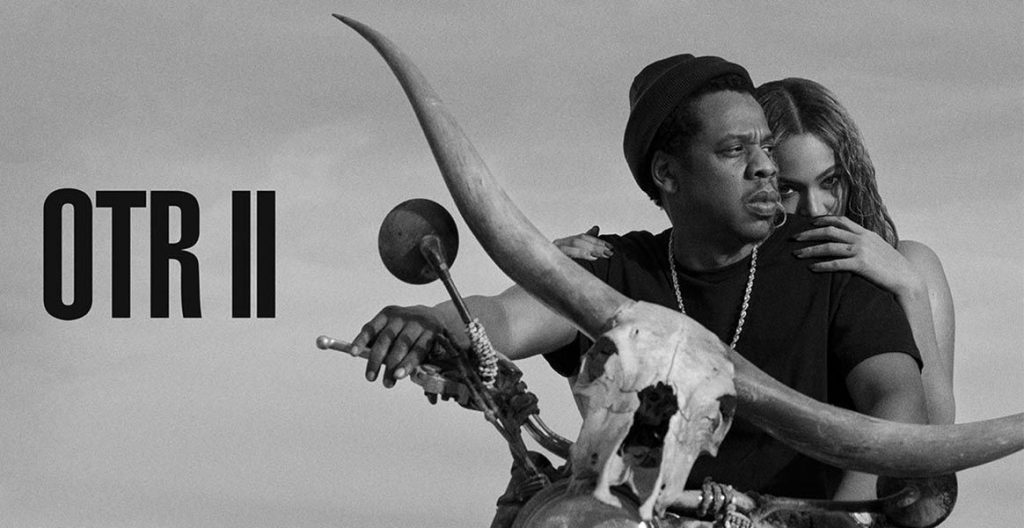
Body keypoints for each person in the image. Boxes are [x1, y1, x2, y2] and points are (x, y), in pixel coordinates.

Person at [351, 54, 928, 503]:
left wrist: (849, 518)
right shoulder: (615, 269)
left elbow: (897, 400)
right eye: (735, 150)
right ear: (667, 173)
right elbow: (504, 317)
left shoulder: (828, 263)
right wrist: (431, 320)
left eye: (766, 147)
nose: (764, 167)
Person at [557, 78, 956, 426]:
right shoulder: (734, 277)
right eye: (789, 188)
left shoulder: (907, 264)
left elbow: (934, 436)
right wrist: (554, 273)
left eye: (830, 181)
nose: (816, 208)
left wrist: (910, 289)